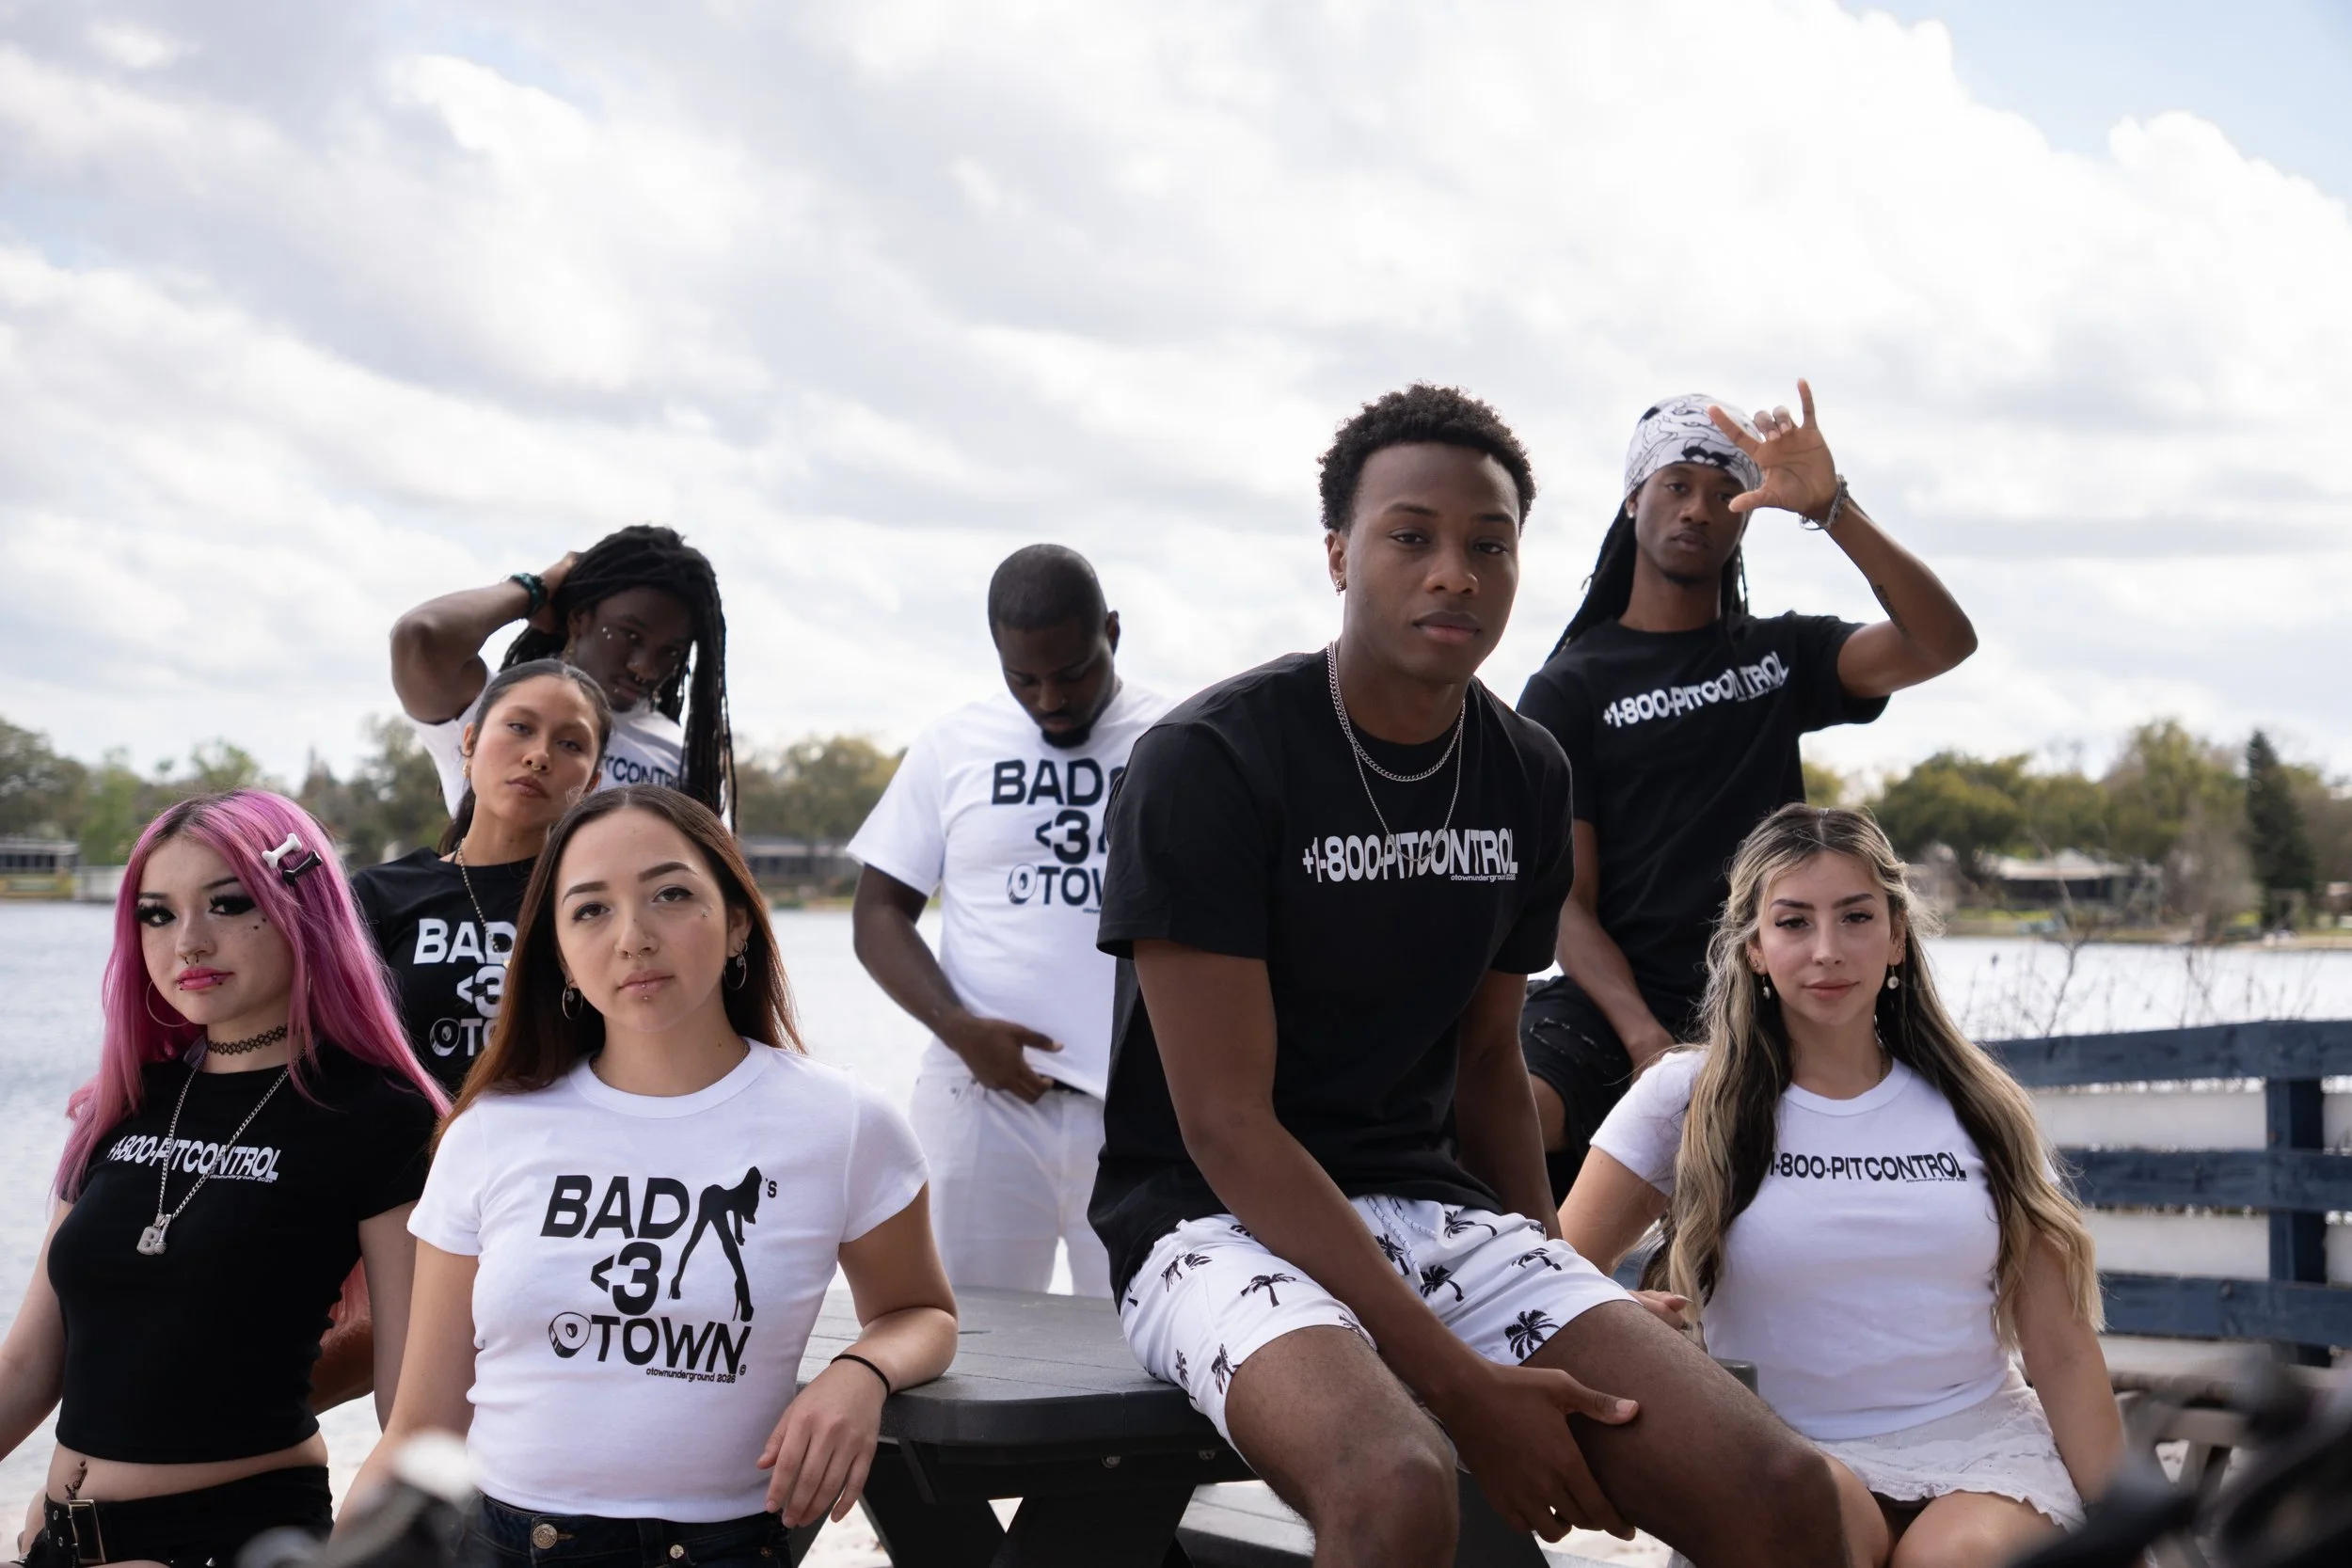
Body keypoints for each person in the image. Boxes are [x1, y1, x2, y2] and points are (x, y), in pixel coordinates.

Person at [1089, 384, 1844, 1566]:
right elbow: (1225, 1123)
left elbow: (1489, 1058)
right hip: (1210, 1221)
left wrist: (1554, 1271)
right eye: (1411, 536)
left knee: (1781, 1490)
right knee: (1395, 1482)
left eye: (1489, 545)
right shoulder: (1209, 760)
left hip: (1434, 1210)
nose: (1454, 573)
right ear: (1338, 554)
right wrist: (1459, 1380)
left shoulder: (1524, 768)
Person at [357, 787, 957, 1562]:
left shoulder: (844, 1123)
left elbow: (921, 1312)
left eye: (670, 894)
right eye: (590, 910)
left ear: (737, 920)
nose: (633, 938)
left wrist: (861, 1372)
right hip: (508, 1545)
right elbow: (419, 1429)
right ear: (557, 953)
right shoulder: (489, 1131)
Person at [1560, 803, 2119, 1564]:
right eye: (1794, 922)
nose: (1827, 950)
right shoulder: (1686, 1099)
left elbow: (2060, 1349)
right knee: (1814, 1522)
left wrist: (2128, 1529)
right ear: (1755, 947)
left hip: (1981, 1450)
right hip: (1783, 1452)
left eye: (1856, 917)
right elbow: (1551, 1277)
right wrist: (1621, 1318)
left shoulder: (1979, 1105)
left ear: (1896, 935)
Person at [1518, 383, 1977, 1201]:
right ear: (1634, 499)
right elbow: (1561, 902)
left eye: (1724, 491)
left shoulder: (1778, 656)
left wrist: (1832, 508)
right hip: (1616, 1006)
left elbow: (1942, 642)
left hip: (1768, 995)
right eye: (1676, 484)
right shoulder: (1569, 687)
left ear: (1747, 514)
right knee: (1507, 1114)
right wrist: (1647, 1043)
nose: (1699, 508)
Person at [0, 791, 446, 1568]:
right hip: (60, 1542)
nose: (189, 942)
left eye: (228, 903)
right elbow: (29, 1365)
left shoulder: (377, 1115)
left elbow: (412, 1414)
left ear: (302, 908)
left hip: (235, 1543)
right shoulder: (123, 1102)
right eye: (157, 914)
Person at [848, 545, 1169, 1297]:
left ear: (1111, 632)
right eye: (1023, 678)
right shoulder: (953, 745)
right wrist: (960, 1028)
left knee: (1142, 1337)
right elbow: (878, 913)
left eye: (1073, 671)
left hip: (1141, 1111)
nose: (1050, 698)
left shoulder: (1178, 739)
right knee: (963, 1330)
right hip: (980, 1100)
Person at [354, 659, 612, 1094]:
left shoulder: (600, 904)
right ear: (470, 742)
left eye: (570, 743)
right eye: (520, 727)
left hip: (554, 1138)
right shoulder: (379, 895)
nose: (539, 756)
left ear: (591, 784)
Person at [389, 523, 736, 822]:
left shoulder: (686, 755)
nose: (644, 667)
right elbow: (419, 638)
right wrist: (534, 590)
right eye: (630, 636)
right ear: (578, 618)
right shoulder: (495, 710)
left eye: (670, 651)